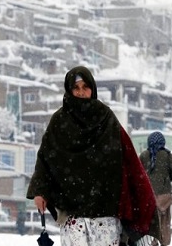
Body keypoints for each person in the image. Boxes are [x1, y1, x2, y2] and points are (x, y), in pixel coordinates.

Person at [26, 66, 160, 246]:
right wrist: (39, 191)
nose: (81, 92)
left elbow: (128, 159)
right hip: (72, 210)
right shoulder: (59, 121)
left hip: (106, 209)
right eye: (76, 88)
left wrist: (142, 197)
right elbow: (45, 158)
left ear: (93, 88)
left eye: (85, 87)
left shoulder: (106, 118)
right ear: (69, 89)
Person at [139, 131, 172, 246]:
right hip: (164, 195)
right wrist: (166, 178)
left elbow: (138, 174)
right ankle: (163, 242)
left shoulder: (144, 155)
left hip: (148, 195)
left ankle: (152, 241)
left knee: (150, 221)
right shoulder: (167, 155)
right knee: (165, 221)